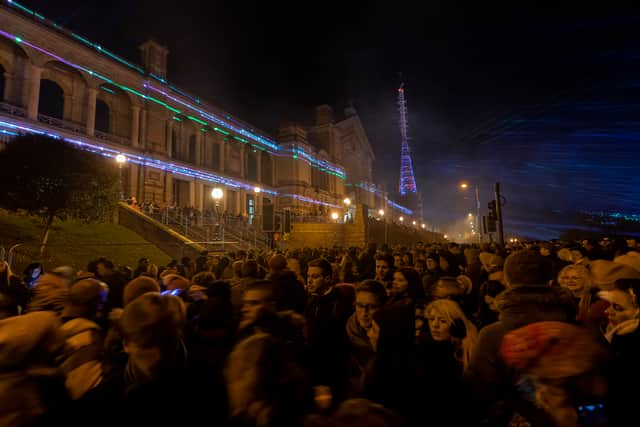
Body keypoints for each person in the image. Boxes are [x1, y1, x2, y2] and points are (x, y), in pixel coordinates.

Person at [305, 258, 355, 406]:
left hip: (335, 372)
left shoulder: (340, 303)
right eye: (308, 276)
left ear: (327, 278)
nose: (309, 281)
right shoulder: (311, 301)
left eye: (315, 277)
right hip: (315, 369)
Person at [345, 280, 387, 398]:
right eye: (360, 305)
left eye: (372, 307)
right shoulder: (348, 329)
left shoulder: (389, 336)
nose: (364, 313)